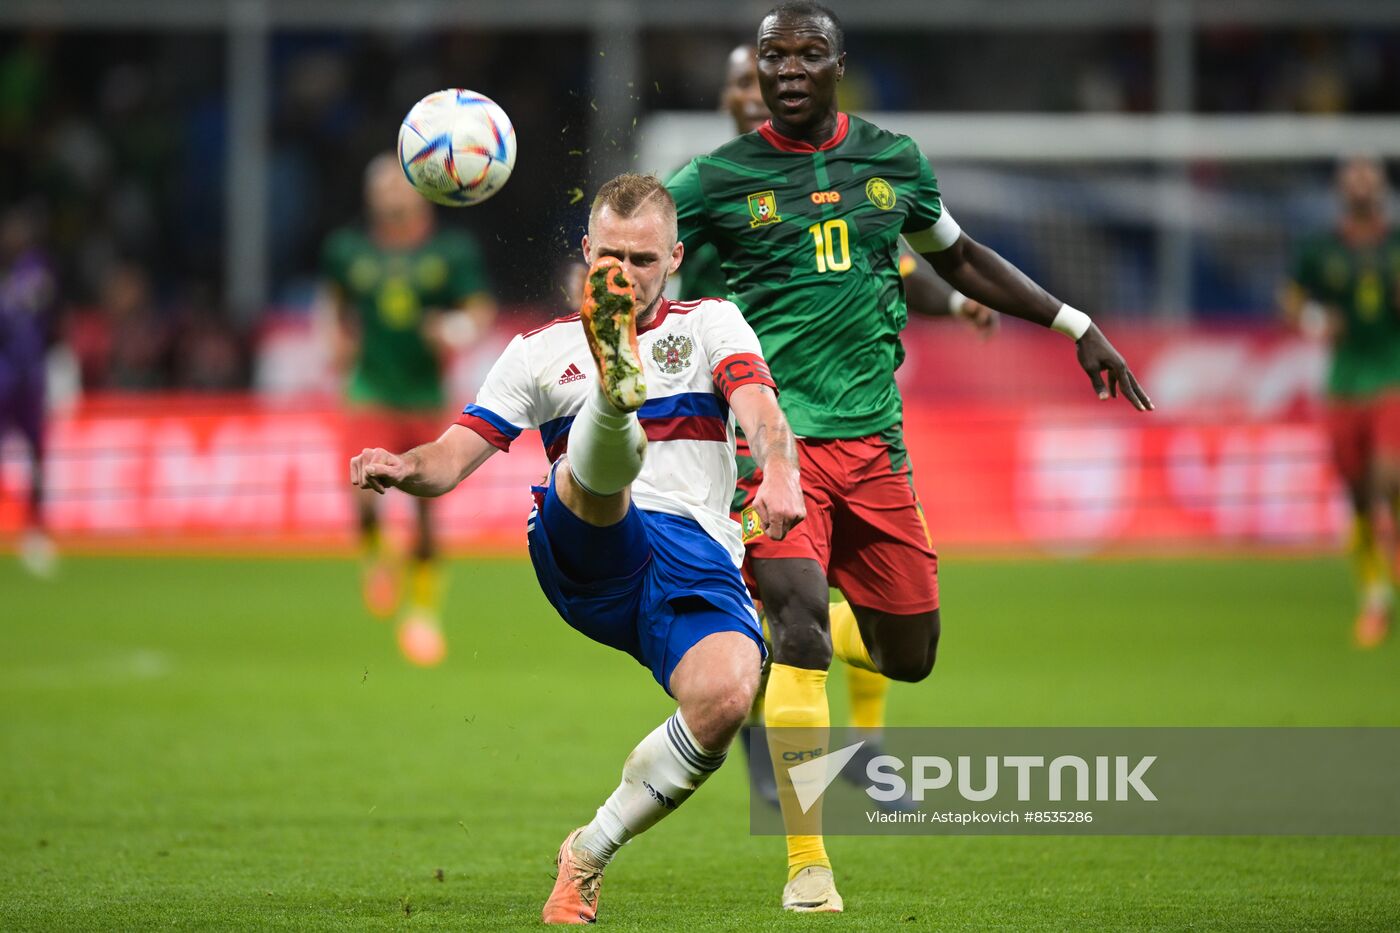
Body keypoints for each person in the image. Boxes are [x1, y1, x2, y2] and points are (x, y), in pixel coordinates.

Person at [668, 2, 1152, 913]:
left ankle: (800, 649)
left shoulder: (892, 162)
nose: (791, 68)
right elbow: (647, 239)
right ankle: (808, 865)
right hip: (772, 444)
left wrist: (1073, 324)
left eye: (810, 52)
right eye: (776, 55)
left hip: (876, 445)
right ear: (759, 70)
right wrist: (604, 290)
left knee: (912, 651)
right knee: (801, 632)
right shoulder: (716, 179)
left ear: (840, 64)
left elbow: (956, 255)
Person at [350, 173, 804, 925]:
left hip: (696, 555)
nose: (625, 274)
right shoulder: (537, 352)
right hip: (590, 542)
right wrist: (405, 467)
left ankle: (587, 853)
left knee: (727, 695)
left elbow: (757, 403)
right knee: (601, 481)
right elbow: (450, 457)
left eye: (645, 261)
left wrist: (781, 471)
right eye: (611, 259)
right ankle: (611, 393)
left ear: (678, 259)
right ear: (587, 252)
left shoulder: (715, 323)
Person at [677, 42, 998, 811]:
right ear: (732, 98)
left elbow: (899, 264)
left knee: (824, 606)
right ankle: (785, 772)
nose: (758, 95)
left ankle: (857, 745)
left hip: (849, 418)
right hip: (737, 428)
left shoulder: (848, 175)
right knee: (784, 606)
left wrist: (956, 302)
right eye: (743, 84)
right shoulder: (718, 192)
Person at [321, 153, 496, 665]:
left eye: (398, 187)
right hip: (370, 389)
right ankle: (375, 556)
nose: (389, 196)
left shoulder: (450, 251)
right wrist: (333, 335)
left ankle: (422, 615)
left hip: (425, 395)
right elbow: (332, 301)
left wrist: (453, 331)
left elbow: (478, 311)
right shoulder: (348, 249)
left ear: (420, 190)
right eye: (381, 188)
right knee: (364, 493)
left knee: (424, 514)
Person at [1282, 155, 1400, 648]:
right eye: (1352, 174)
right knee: (1357, 494)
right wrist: (1314, 321)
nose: (1360, 183)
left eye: (1368, 174)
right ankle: (1374, 594)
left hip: (1392, 375)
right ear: (1340, 189)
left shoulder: (1396, 245)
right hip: (1344, 382)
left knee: (1388, 478)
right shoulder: (1320, 249)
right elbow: (1289, 300)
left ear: (1382, 185)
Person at [0, 204, 58, 576]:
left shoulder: (35, 269)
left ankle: (35, 528)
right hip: (7, 373)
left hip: (28, 375)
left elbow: (37, 306)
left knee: (36, 452)